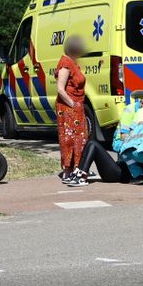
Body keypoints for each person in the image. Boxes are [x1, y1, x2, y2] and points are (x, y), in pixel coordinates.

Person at [55, 35, 89, 187]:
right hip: (69, 108)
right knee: (69, 139)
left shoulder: (72, 62)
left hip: (76, 107)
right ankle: (69, 172)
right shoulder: (65, 63)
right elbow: (61, 90)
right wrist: (73, 104)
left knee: (79, 139)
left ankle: (77, 169)